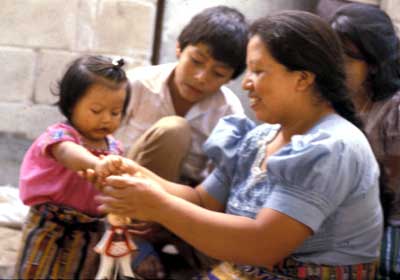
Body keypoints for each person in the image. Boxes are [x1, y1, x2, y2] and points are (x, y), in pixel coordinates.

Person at [91, 10, 383, 279]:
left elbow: (263, 246)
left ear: (303, 79)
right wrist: (135, 173)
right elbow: (202, 201)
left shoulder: (331, 146)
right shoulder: (260, 137)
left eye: (259, 71)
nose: (246, 83)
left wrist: (158, 206)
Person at [114, 5, 248, 276]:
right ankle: (131, 237)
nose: (201, 77)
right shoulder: (136, 85)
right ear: (179, 49)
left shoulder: (230, 113)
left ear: (230, 78)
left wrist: (167, 219)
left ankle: (167, 246)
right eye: (196, 61)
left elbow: (217, 189)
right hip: (124, 197)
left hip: (181, 209)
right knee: (173, 131)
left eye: (217, 73)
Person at [13, 55, 131, 279]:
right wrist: (98, 164)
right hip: (49, 224)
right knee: (35, 272)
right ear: (70, 104)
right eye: (96, 111)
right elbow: (69, 154)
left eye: (115, 112)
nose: (106, 119)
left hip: (90, 230)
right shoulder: (60, 136)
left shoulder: (115, 149)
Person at [330, 4, 400, 279]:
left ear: (373, 63)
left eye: (346, 60)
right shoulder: (339, 101)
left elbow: (393, 189)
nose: (335, 68)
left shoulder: (393, 111)